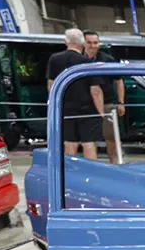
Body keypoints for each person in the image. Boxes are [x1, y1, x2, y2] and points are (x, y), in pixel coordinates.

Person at [46, 28, 104, 161]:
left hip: (65, 108)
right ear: (83, 43)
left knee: (69, 143)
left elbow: (51, 85)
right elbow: (95, 90)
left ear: (65, 41)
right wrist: (101, 113)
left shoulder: (54, 59)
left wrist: (55, 106)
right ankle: (91, 170)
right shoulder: (87, 62)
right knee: (89, 143)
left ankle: (69, 170)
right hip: (87, 110)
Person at [83, 30, 125, 163]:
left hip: (107, 104)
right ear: (83, 43)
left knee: (111, 137)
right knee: (88, 138)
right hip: (85, 105)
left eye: (95, 43)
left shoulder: (107, 59)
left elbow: (119, 81)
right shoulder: (79, 59)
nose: (93, 46)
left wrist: (121, 102)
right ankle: (92, 164)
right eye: (89, 43)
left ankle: (115, 164)